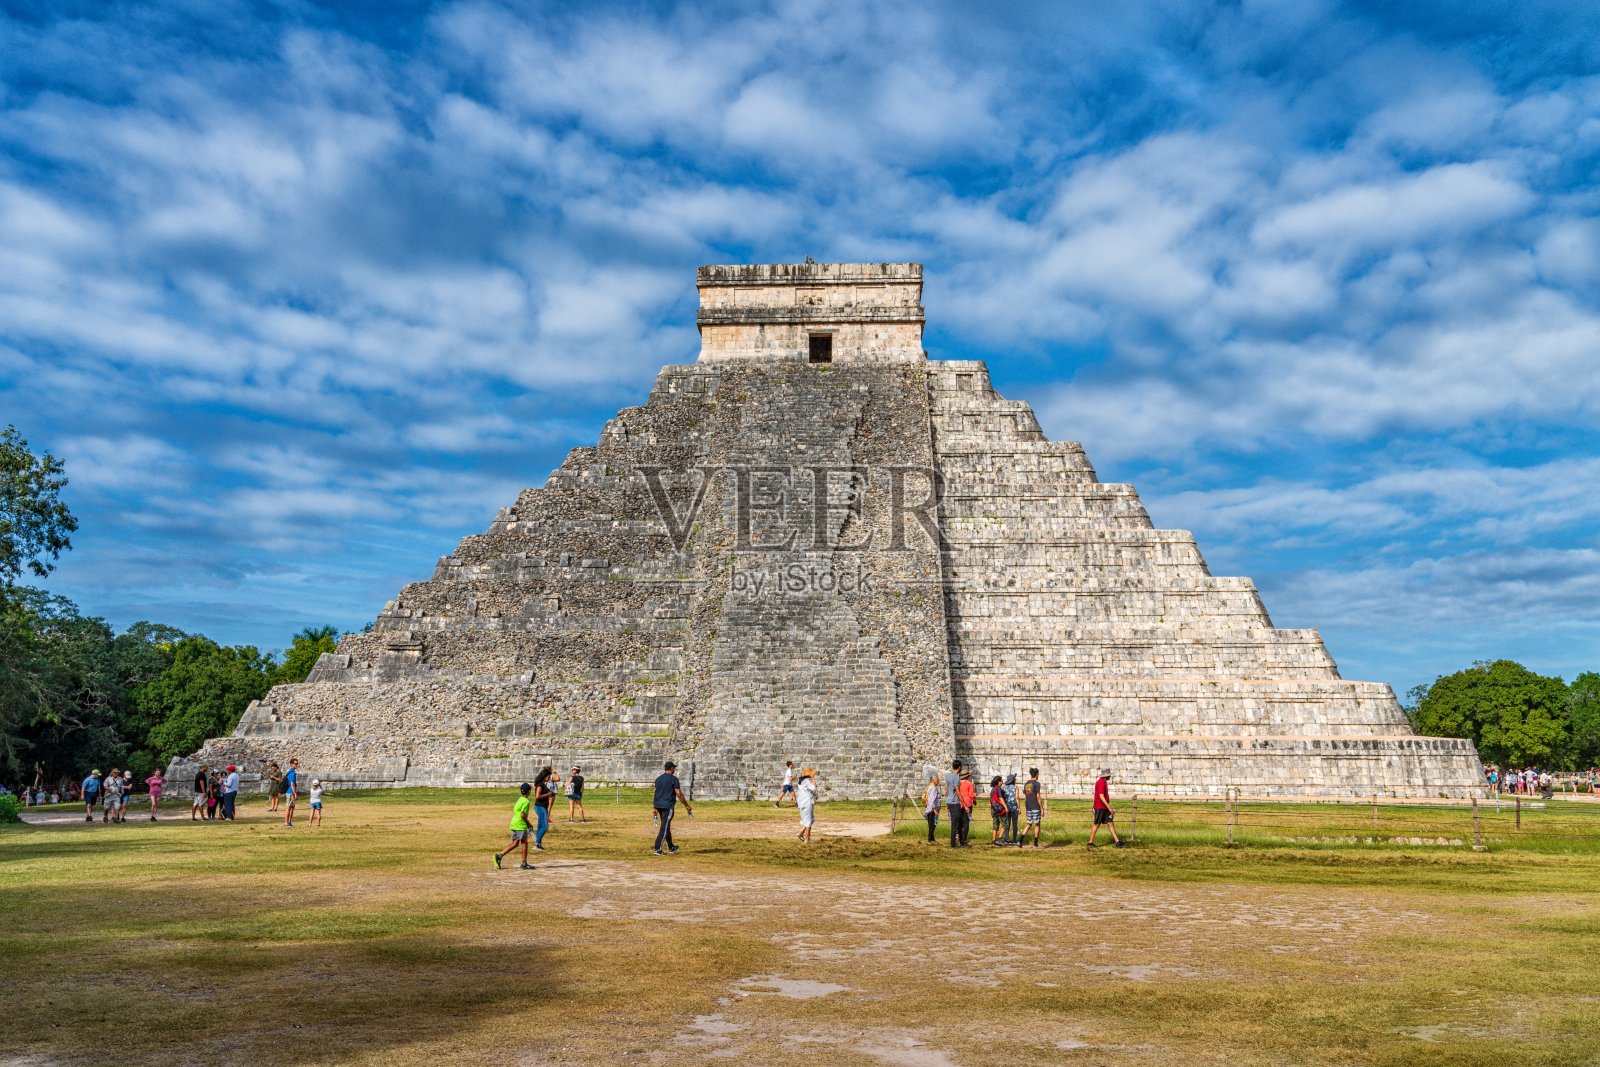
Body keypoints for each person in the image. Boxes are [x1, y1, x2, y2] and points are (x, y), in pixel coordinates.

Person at [651, 760, 692, 855]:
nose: (675, 770)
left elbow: (656, 793)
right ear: (672, 768)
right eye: (674, 768)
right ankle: (657, 848)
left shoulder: (658, 779)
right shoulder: (674, 779)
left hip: (659, 805)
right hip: (667, 806)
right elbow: (679, 793)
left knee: (666, 825)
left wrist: (655, 807)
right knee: (664, 827)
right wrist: (686, 805)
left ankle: (671, 847)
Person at [494, 783, 535, 870]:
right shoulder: (526, 801)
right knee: (524, 843)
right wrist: (528, 823)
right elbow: (523, 815)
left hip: (514, 823)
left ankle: (499, 856)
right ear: (529, 791)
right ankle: (524, 863)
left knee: (515, 843)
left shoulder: (519, 799)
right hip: (520, 824)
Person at [1088, 768, 1124, 848]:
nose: (1110, 777)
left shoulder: (1103, 782)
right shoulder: (1101, 783)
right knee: (1096, 824)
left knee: (1110, 823)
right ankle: (1090, 843)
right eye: (1109, 775)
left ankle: (1117, 842)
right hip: (1100, 807)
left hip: (1104, 807)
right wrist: (1110, 808)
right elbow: (1101, 796)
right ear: (1106, 776)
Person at [1022, 767, 1046, 848]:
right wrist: (1042, 808)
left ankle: (1020, 841)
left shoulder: (1026, 784)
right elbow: (1038, 797)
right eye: (1038, 774)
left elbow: (1026, 796)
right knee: (1037, 824)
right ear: (1036, 774)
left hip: (1028, 806)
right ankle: (1035, 844)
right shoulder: (1037, 784)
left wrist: (1026, 806)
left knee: (1028, 824)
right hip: (1035, 806)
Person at [532, 767, 555, 851]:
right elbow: (537, 796)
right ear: (545, 776)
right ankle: (537, 844)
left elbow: (548, 792)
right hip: (540, 806)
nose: (549, 778)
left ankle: (538, 844)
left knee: (540, 826)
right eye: (548, 776)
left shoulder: (543, 784)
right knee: (545, 826)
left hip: (543, 806)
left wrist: (551, 793)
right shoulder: (540, 785)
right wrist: (548, 795)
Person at [944, 759, 965, 849]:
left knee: (958, 823)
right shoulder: (956, 777)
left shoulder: (947, 775)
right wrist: (964, 804)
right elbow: (958, 792)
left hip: (949, 801)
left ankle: (961, 842)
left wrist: (947, 802)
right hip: (954, 802)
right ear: (959, 767)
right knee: (955, 824)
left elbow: (947, 790)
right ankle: (953, 844)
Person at [796, 767, 818, 843]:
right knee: (809, 820)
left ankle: (801, 834)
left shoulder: (800, 780)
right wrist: (813, 779)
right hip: (807, 802)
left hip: (801, 802)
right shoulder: (807, 781)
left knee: (808, 819)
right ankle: (807, 839)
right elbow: (814, 788)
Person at [957, 770, 975, 847]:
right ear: (967, 776)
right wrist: (974, 800)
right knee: (966, 822)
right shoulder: (969, 783)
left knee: (960, 822)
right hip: (967, 803)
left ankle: (958, 838)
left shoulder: (957, 783)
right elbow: (971, 795)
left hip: (958, 802)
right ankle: (964, 840)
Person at [922, 774, 941, 844]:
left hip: (930, 809)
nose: (938, 780)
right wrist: (935, 809)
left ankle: (932, 839)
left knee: (932, 824)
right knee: (932, 825)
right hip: (932, 809)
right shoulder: (933, 788)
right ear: (933, 780)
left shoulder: (929, 787)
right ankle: (930, 840)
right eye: (937, 779)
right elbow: (932, 799)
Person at [1002, 773, 1020, 846]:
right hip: (1014, 808)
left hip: (1006, 808)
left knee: (1007, 824)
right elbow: (1017, 798)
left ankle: (1006, 840)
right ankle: (1014, 840)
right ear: (1013, 780)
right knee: (1015, 824)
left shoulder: (1003, 787)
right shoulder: (1016, 787)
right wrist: (1019, 807)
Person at [282, 758, 301, 827]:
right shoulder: (292, 773)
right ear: (291, 764)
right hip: (290, 792)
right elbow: (292, 784)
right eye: (295, 764)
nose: (296, 765)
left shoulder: (290, 772)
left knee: (292, 808)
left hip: (290, 792)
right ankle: (286, 823)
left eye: (297, 763)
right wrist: (295, 793)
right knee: (288, 808)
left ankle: (289, 822)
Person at [988, 775, 1007, 845]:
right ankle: (999, 839)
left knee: (995, 825)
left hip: (993, 809)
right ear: (998, 782)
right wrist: (1005, 807)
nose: (1002, 782)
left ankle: (994, 841)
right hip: (999, 809)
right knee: (1005, 824)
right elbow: (1001, 798)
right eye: (1002, 781)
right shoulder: (998, 788)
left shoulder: (993, 789)